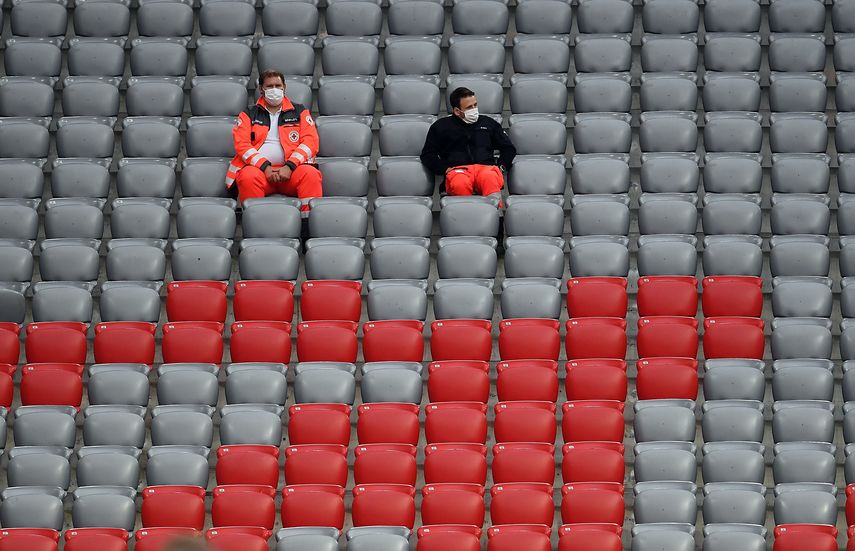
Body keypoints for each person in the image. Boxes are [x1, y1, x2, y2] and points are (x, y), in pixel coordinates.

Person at [226, 70, 322, 213]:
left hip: (292, 172)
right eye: (270, 86)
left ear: (284, 87)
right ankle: (256, 225)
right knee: (247, 176)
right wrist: (265, 167)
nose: (274, 90)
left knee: (310, 174)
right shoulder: (248, 114)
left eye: (278, 85)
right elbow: (242, 145)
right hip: (260, 172)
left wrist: (289, 166)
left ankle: (307, 226)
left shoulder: (300, 111)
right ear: (261, 89)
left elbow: (310, 142)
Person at [420, 87, 516, 203]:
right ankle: (463, 217)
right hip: (458, 171)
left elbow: (508, 148)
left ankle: (496, 217)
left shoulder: (489, 123)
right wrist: (445, 169)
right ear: (457, 111)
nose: (474, 109)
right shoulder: (441, 127)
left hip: (485, 169)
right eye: (469, 107)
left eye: (475, 105)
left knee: (490, 178)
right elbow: (428, 155)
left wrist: (501, 167)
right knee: (459, 183)